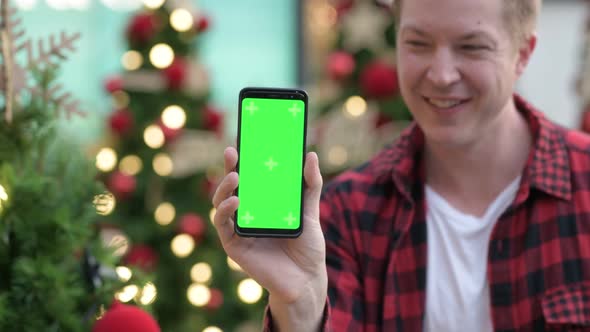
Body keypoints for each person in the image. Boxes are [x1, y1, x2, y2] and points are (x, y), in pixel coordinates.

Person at [212, 0, 590, 330]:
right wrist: (299, 305)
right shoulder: (347, 213)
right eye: (417, 43)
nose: (441, 75)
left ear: (523, 53)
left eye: (472, 47)